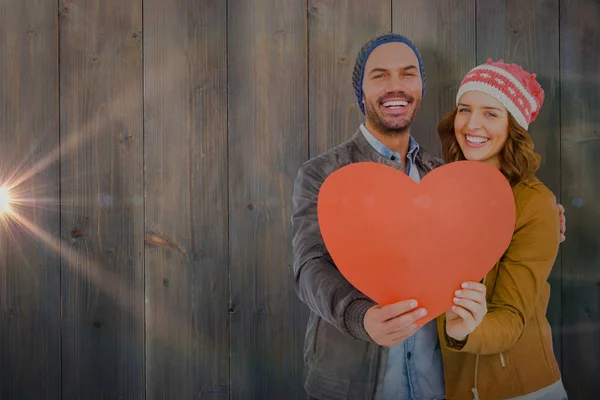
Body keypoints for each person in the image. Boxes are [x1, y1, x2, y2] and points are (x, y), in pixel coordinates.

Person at [291, 33, 566, 399]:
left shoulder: (443, 177)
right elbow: (309, 266)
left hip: (437, 384)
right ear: (361, 90)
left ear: (421, 86)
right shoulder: (323, 174)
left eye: (407, 74)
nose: (395, 87)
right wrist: (362, 317)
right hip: (354, 387)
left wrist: (546, 216)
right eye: (379, 75)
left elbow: (497, 223)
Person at [435, 60, 568, 400]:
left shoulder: (535, 204)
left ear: (514, 127)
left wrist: (466, 331)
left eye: (491, 113)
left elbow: (511, 318)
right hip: (453, 388)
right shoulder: (440, 192)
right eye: (465, 109)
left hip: (522, 390)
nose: (472, 124)